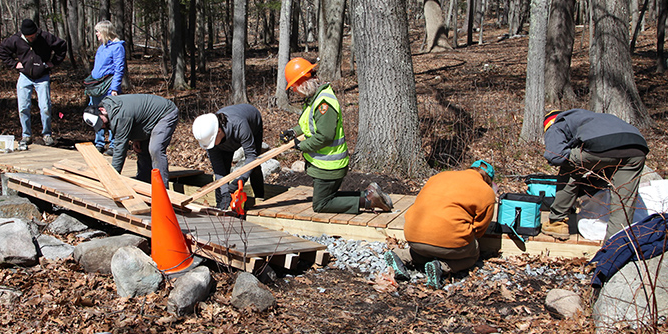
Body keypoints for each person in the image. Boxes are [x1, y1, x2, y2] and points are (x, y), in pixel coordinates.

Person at [280, 57, 392, 214]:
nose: (294, 91)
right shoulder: (316, 98)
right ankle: (369, 195)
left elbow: (324, 136)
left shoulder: (323, 103)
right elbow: (310, 124)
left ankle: (368, 201)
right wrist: (293, 132)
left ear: (302, 82)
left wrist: (301, 146)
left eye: (294, 86)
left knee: (321, 204)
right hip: (326, 164)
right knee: (328, 197)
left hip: (329, 166)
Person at [542, 108, 648, 241]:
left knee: (569, 166)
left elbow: (556, 156)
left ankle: (556, 222)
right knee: (624, 201)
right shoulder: (590, 117)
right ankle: (614, 248)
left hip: (603, 145)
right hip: (637, 147)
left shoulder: (556, 123)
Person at [403, 160, 497, 288]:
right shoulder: (486, 191)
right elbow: (479, 229)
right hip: (449, 242)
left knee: (424, 250)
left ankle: (401, 256)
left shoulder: (440, 176)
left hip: (413, 235)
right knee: (473, 254)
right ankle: (442, 267)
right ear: (489, 180)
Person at [0, 18, 67, 148]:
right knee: (23, 107)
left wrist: (54, 62)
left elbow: (62, 46)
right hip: (25, 76)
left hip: (42, 76)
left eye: (33, 36)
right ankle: (26, 135)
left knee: (45, 106)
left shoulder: (45, 37)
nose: (31, 39)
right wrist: (14, 64)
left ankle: (47, 134)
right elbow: (1, 50)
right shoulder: (15, 39)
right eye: (28, 37)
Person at [83, 94, 179, 186]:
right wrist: (137, 138)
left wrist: (112, 178)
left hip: (166, 113)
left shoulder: (120, 116)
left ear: (102, 110)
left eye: (101, 122)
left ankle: (162, 189)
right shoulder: (110, 109)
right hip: (147, 119)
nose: (103, 126)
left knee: (155, 149)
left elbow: (120, 148)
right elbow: (137, 117)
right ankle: (144, 182)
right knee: (142, 148)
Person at [192, 104, 265, 210]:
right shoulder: (210, 136)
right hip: (227, 138)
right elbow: (218, 169)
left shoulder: (240, 125)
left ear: (219, 131)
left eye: (212, 143)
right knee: (223, 174)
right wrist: (225, 192)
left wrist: (241, 180)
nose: (212, 147)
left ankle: (260, 199)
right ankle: (220, 206)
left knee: (255, 168)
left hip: (253, 123)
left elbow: (251, 156)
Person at [85, 19, 126, 153]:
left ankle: (113, 145)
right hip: (96, 87)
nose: (96, 34)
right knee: (96, 113)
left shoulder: (117, 47)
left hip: (108, 87)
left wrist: (115, 88)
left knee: (110, 115)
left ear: (104, 32)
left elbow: (119, 69)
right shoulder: (102, 47)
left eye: (98, 32)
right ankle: (99, 142)